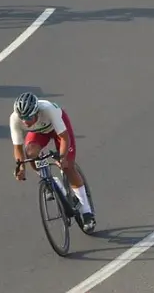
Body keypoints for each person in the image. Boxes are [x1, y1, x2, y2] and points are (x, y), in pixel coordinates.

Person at [10, 92, 95, 233]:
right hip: (39, 132)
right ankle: (51, 182)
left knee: (67, 166)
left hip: (58, 130)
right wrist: (21, 168)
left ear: (36, 112)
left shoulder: (48, 110)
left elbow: (65, 138)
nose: (25, 122)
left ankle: (87, 212)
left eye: (29, 117)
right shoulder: (14, 119)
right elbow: (18, 148)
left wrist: (62, 157)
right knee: (30, 153)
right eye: (22, 118)